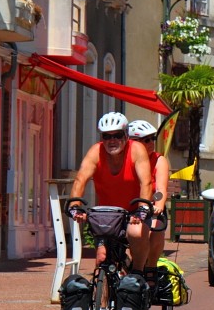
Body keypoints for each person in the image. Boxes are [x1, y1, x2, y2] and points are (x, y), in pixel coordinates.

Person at [69, 112, 154, 274]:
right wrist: (75, 205)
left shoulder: (137, 150)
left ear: (126, 135)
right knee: (102, 258)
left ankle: (137, 273)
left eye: (117, 135)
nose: (112, 140)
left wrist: (143, 208)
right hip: (106, 215)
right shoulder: (95, 151)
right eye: (107, 136)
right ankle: (102, 294)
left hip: (134, 213)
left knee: (135, 233)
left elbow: (146, 182)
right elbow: (80, 179)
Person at [127, 119, 170, 289]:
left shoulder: (158, 160)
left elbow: (160, 188)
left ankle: (151, 267)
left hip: (150, 208)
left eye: (152, 138)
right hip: (129, 208)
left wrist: (158, 203)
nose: (151, 143)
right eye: (146, 140)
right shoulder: (126, 160)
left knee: (156, 226)